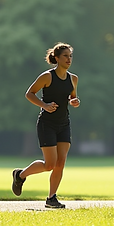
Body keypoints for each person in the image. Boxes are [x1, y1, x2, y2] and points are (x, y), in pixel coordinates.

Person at [11, 42, 79, 208]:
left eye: (70, 56)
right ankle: (20, 175)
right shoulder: (47, 77)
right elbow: (29, 93)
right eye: (65, 56)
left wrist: (74, 101)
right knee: (50, 164)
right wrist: (44, 105)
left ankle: (51, 198)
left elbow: (72, 98)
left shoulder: (73, 79)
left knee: (60, 163)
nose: (69, 59)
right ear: (56, 58)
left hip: (64, 124)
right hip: (47, 124)